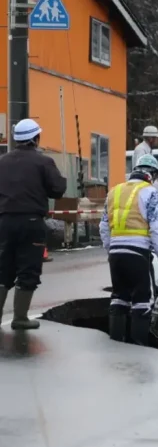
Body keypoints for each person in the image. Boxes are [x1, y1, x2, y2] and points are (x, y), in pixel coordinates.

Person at [0, 119, 67, 329]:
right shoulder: (44, 162)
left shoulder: (2, 161)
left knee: (3, 269)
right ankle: (20, 318)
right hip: (31, 222)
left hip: (4, 222)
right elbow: (57, 190)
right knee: (28, 270)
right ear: (35, 139)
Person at [99, 154, 158, 346]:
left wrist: (110, 249)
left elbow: (104, 226)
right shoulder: (150, 192)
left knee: (119, 297)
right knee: (142, 300)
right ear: (151, 174)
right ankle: (138, 346)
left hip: (116, 253)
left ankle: (116, 341)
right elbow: (156, 227)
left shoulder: (114, 191)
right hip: (138, 252)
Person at [133, 125, 158, 195]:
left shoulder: (147, 150)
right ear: (151, 139)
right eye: (156, 139)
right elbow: (141, 169)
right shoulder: (141, 150)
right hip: (141, 188)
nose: (157, 141)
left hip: (144, 187)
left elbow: (148, 167)